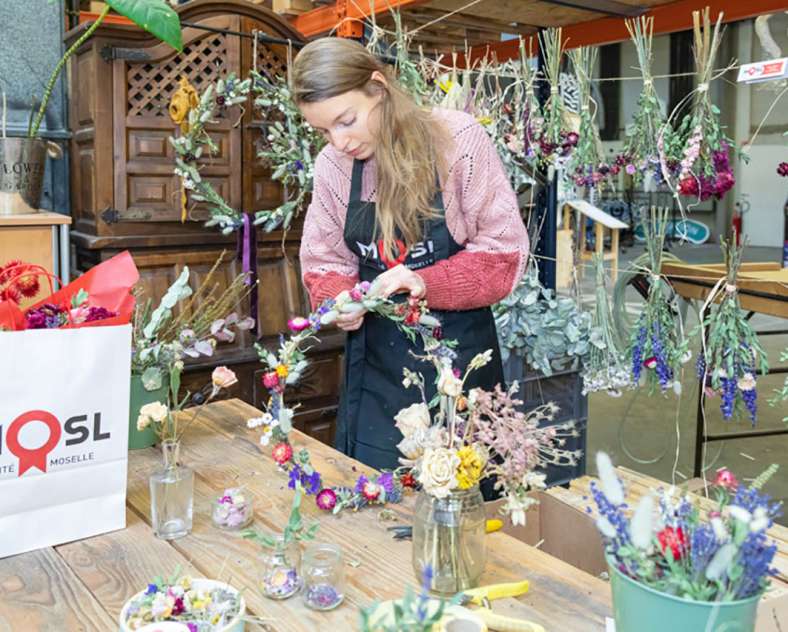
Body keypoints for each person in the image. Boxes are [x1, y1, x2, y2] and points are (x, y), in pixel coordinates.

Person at [293, 38, 529, 471]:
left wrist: (425, 282)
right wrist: (336, 298)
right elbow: (325, 259)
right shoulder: (332, 166)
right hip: (376, 368)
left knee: (463, 496)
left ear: (379, 88)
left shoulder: (457, 141)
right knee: (372, 499)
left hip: (459, 363)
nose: (339, 141)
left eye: (346, 121)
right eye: (324, 131)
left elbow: (503, 255)